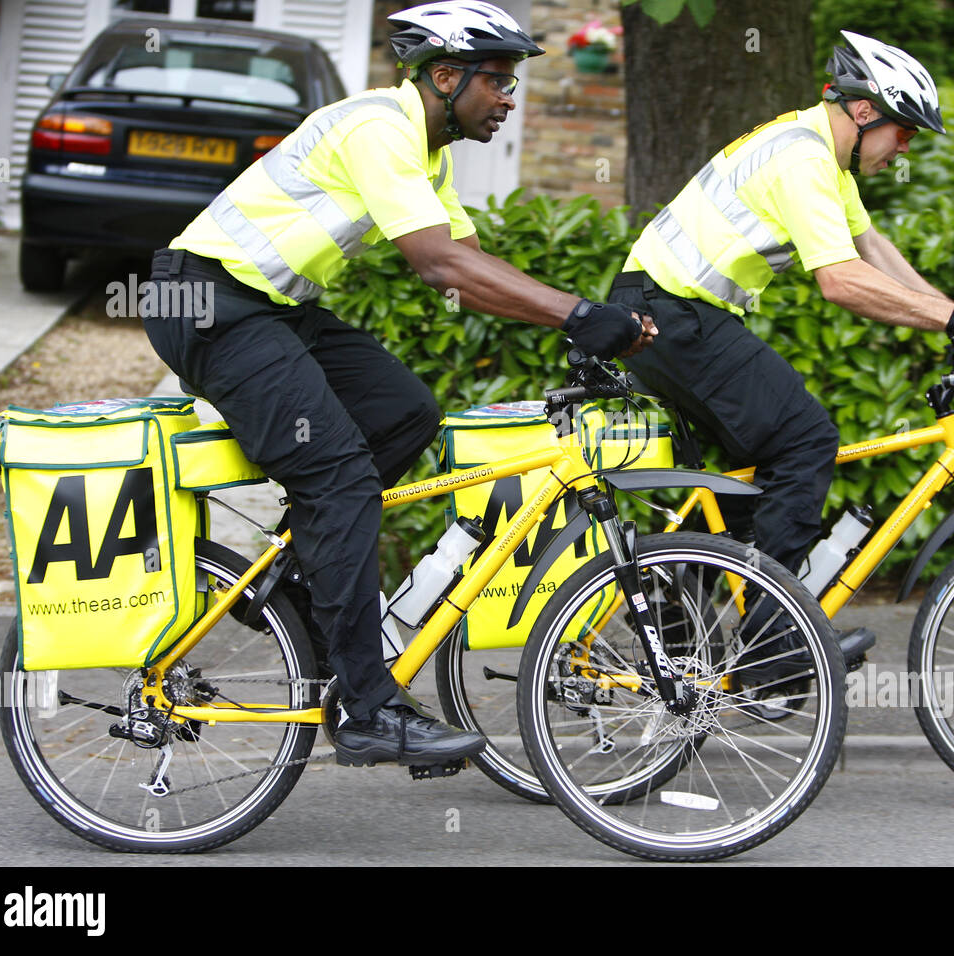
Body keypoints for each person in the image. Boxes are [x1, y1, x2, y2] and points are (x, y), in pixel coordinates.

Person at [142, 0, 656, 769]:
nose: (509, 100)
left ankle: (295, 571)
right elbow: (442, 266)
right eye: (499, 82)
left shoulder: (426, 150)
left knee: (406, 413)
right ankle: (365, 709)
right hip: (206, 302)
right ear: (444, 77)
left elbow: (474, 268)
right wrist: (582, 314)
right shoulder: (381, 129)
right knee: (342, 478)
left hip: (268, 306)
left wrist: (580, 326)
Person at [606, 31, 954, 681]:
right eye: (904, 131)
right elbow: (842, 280)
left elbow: (870, 247)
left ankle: (683, 624)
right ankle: (772, 648)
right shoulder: (802, 158)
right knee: (803, 437)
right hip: (672, 316)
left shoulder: (818, 150)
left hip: (669, 313)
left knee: (748, 488)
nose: (904, 147)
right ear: (864, 113)